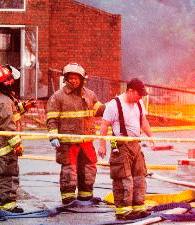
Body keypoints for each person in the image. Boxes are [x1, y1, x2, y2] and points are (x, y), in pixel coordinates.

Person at [46, 63, 105, 205]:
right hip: (68, 143)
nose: (73, 81)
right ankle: (68, 199)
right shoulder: (58, 97)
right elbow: (52, 119)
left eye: (76, 78)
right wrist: (53, 136)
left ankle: (86, 197)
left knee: (88, 171)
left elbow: (101, 110)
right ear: (66, 79)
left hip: (86, 142)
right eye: (70, 78)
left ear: (82, 79)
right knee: (69, 172)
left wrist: (116, 105)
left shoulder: (90, 95)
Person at [98, 78, 154, 221]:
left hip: (135, 144)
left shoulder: (139, 103)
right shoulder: (114, 105)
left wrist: (151, 136)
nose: (140, 98)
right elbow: (104, 125)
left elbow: (143, 121)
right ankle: (123, 211)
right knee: (123, 178)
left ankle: (138, 207)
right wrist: (102, 145)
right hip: (121, 145)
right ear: (130, 91)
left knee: (139, 176)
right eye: (138, 94)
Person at [0, 64, 32, 213]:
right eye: (10, 80)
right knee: (8, 175)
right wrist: (16, 144)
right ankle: (8, 205)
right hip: (5, 147)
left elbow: (10, 113)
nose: (12, 83)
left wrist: (24, 107)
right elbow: (8, 124)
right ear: (5, 84)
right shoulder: (4, 101)